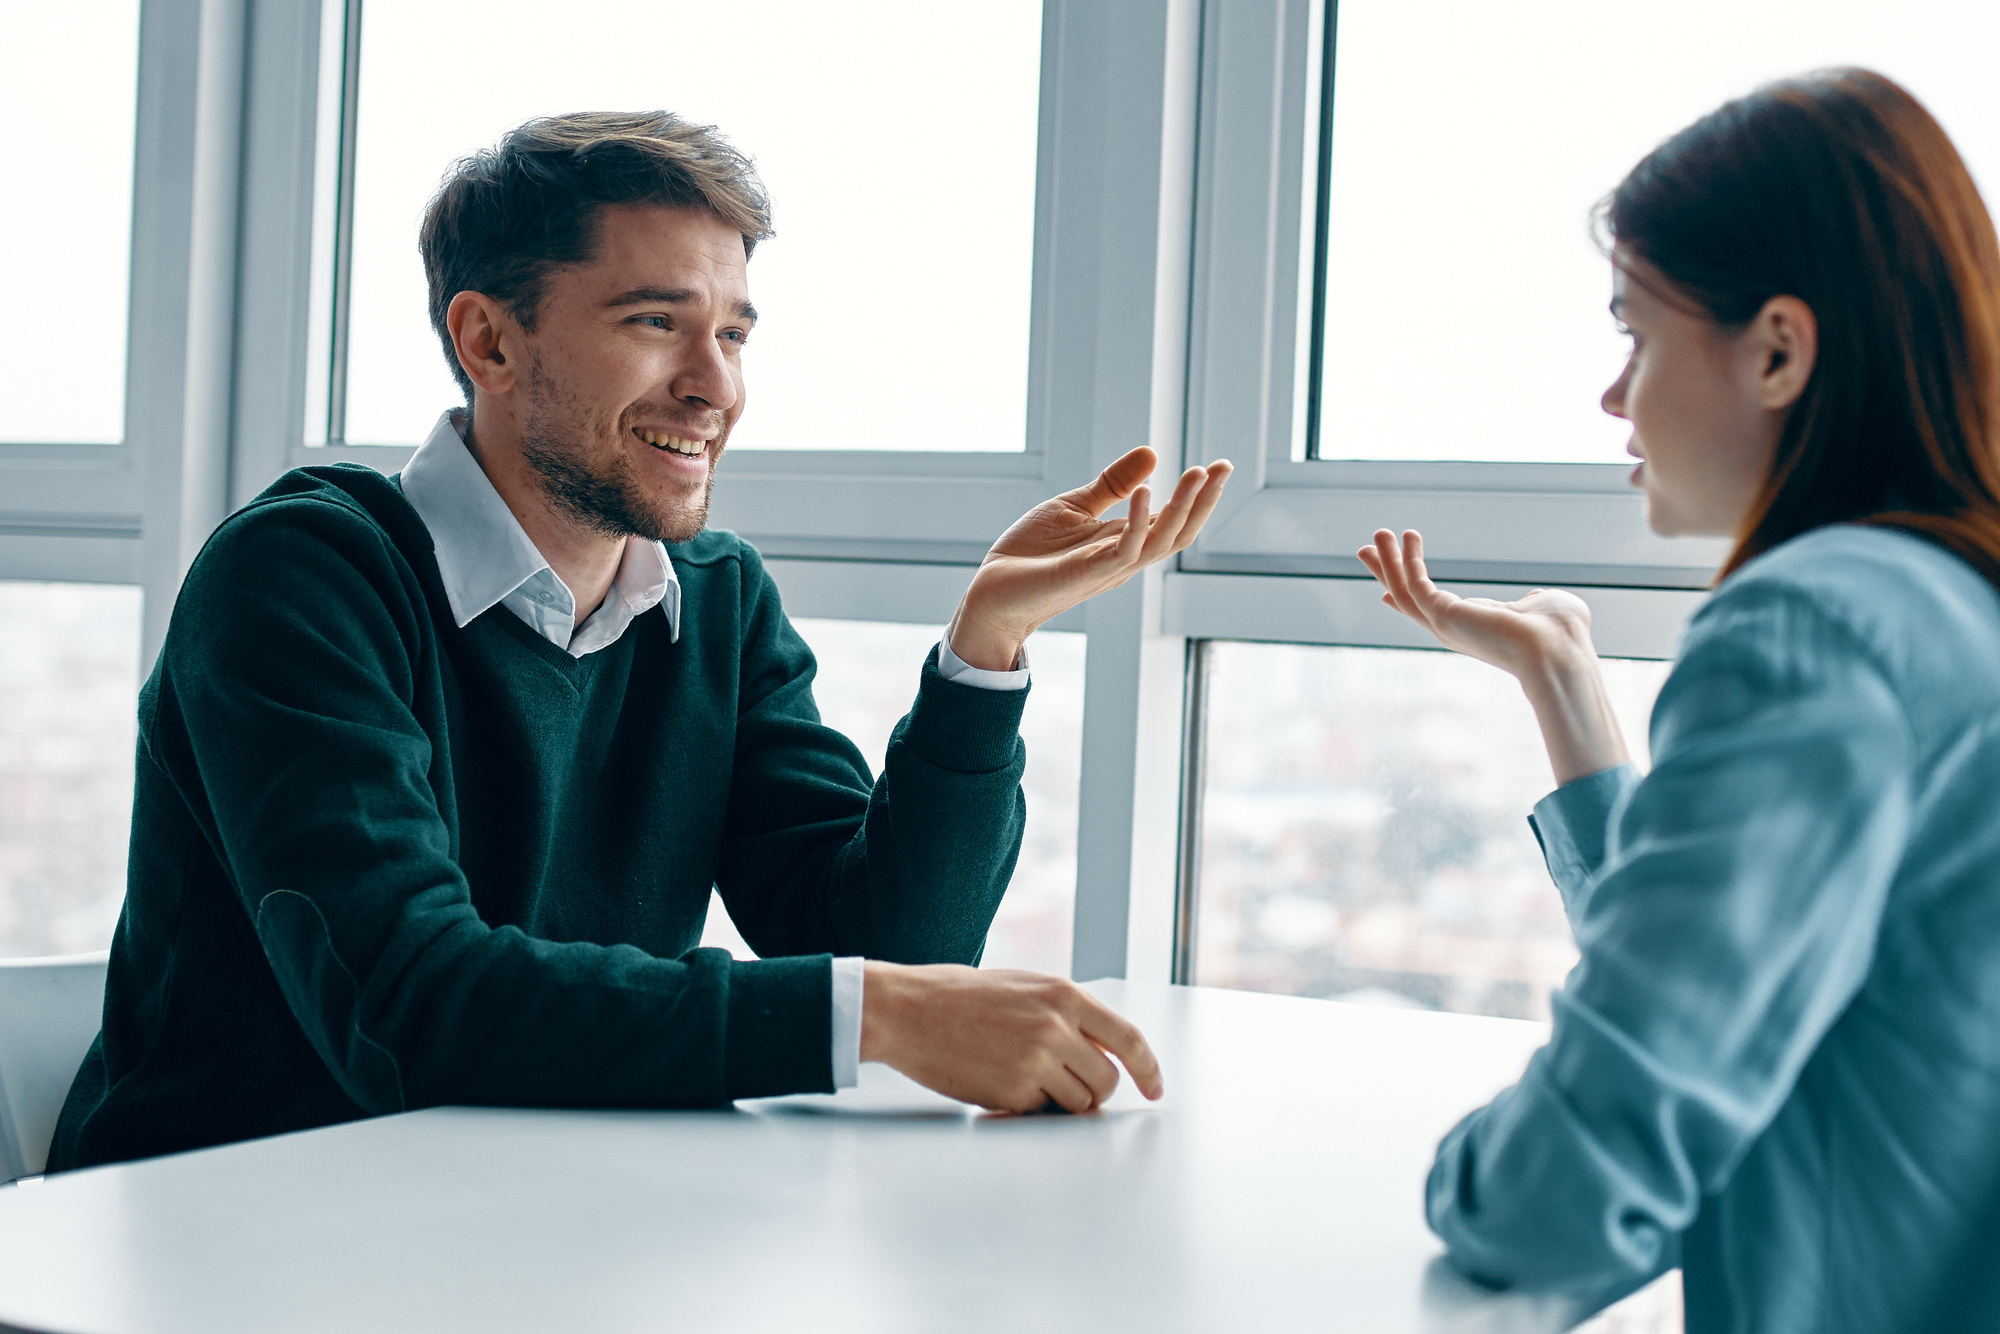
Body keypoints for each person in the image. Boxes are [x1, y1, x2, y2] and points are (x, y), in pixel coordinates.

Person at [51, 112, 1232, 1171]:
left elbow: (887, 941)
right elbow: (404, 1002)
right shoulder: (304, 575)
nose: (714, 384)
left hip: (531, 1215)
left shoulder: (712, 598)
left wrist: (985, 649)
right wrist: (869, 1013)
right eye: (656, 321)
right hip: (214, 1237)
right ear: (490, 341)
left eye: (733, 332)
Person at [1358, 70, 2000, 1330]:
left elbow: (1568, 1184)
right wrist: (1561, 681)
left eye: (1632, 335)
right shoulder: (1952, 606)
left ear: (1774, 349)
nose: (1613, 396)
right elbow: (1765, 1000)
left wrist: (1455, 1172)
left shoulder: (1811, 624)